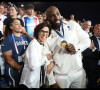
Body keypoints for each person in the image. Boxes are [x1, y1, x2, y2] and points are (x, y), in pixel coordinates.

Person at [42, 6, 91, 88]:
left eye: (58, 14)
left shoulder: (72, 25)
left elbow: (86, 40)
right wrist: (52, 81)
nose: (57, 17)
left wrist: (77, 48)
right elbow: (47, 59)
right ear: (47, 19)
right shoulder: (46, 34)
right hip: (61, 75)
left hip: (78, 72)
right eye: (52, 15)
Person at [19, 22, 54, 88]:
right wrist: (45, 58)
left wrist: (51, 62)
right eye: (42, 31)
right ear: (37, 32)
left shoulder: (43, 44)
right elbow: (33, 66)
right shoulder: (33, 45)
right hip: (29, 83)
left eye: (47, 32)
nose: (44, 34)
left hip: (37, 82)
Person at [1, 18, 32, 88]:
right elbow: (8, 58)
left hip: (26, 67)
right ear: (11, 27)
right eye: (16, 24)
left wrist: (26, 33)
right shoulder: (7, 39)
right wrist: (19, 68)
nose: (19, 25)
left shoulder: (26, 37)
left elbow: (37, 43)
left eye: (20, 24)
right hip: (14, 69)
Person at [82, 24, 100, 88]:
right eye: (97, 29)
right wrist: (98, 55)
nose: (99, 30)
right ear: (93, 30)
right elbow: (86, 53)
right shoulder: (89, 40)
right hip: (92, 67)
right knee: (93, 84)